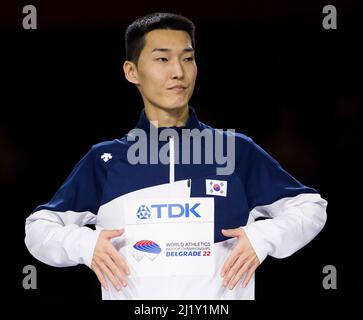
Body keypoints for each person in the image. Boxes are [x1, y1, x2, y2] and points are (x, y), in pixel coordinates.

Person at [24, 12, 327, 300]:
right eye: (162, 59)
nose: (178, 72)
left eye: (188, 58)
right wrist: (84, 244)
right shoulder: (106, 160)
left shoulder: (234, 150)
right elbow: (38, 229)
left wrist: (263, 238)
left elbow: (311, 207)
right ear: (132, 72)